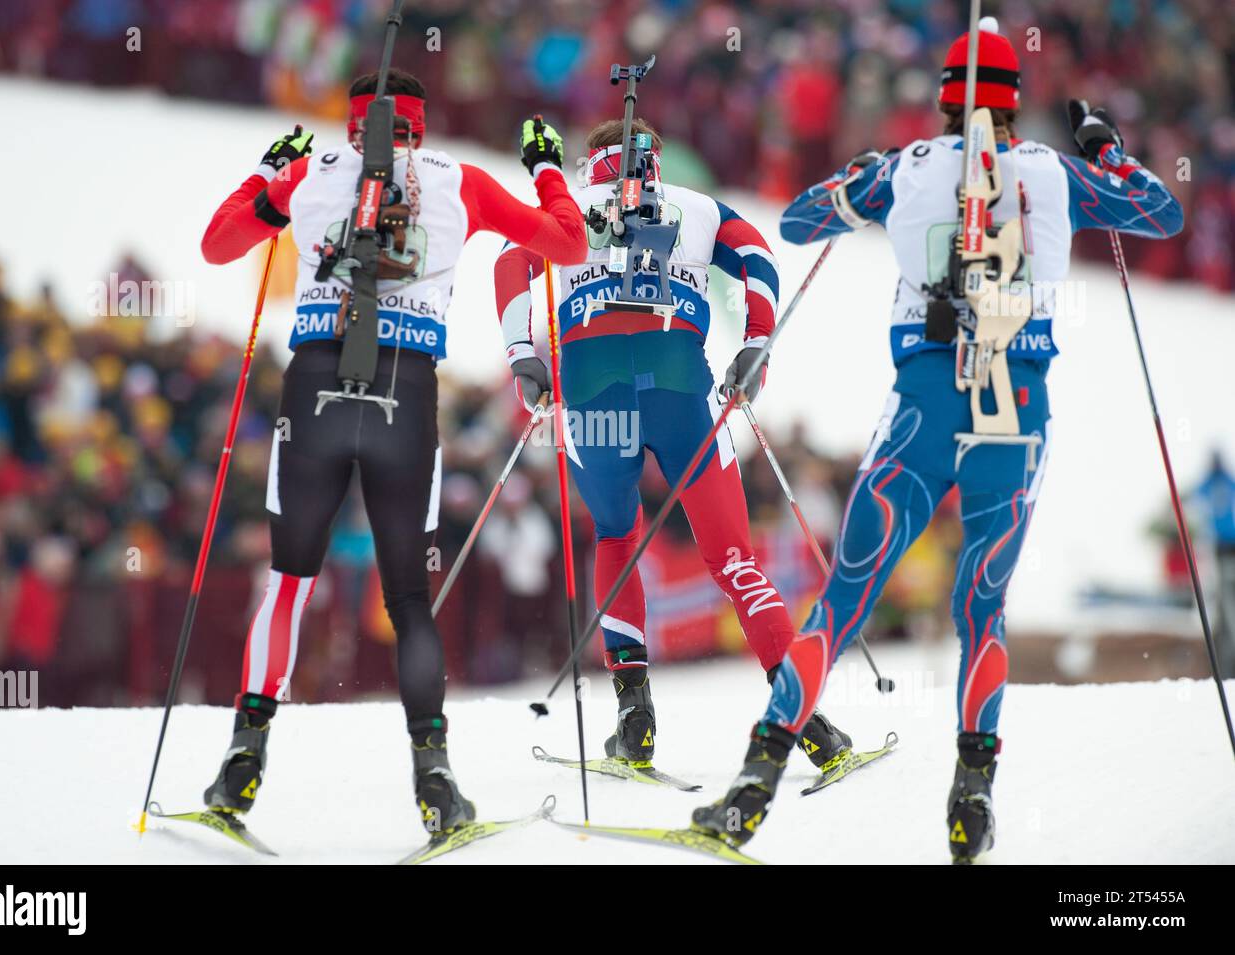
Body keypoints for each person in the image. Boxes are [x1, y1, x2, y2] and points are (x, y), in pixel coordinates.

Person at [692, 18, 1183, 862]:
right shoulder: (1057, 171)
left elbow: (807, 220)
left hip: (923, 398)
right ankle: (972, 797)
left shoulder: (907, 166)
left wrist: (866, 179)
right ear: (1015, 104)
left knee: (846, 597)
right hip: (1018, 405)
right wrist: (1103, 145)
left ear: (946, 99)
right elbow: (1161, 211)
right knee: (982, 608)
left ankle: (754, 782)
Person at [197, 69, 586, 835]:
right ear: (422, 123)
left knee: (289, 581)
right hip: (405, 394)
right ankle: (435, 780)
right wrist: (544, 166)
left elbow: (218, 245)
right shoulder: (459, 180)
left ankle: (242, 762)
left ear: (349, 124)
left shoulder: (311, 174)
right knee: (409, 598)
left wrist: (268, 170)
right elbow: (568, 242)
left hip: (312, 386)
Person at [494, 118, 855, 775]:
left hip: (594, 388)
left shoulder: (567, 209)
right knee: (734, 558)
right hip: (680, 386)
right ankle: (810, 727)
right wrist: (755, 342)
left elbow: (510, 261)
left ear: (591, 162)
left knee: (614, 536)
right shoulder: (696, 205)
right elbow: (758, 257)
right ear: (655, 158)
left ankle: (635, 723)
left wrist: (523, 357)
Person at [1193, 451, 1235, 679]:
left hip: (1229, 544)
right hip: (1219, 546)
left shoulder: (1225, 482)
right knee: (1222, 598)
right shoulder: (1213, 483)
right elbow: (1194, 499)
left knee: (1227, 600)